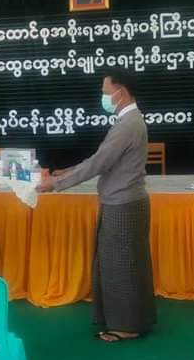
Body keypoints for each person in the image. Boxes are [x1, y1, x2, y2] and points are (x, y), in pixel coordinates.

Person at [37, 69, 156, 342]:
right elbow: (102, 159)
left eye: (105, 92)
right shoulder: (129, 121)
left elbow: (99, 163)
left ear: (120, 93)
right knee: (121, 264)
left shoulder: (128, 124)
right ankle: (129, 320)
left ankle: (126, 327)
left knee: (121, 267)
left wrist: (55, 184)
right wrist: (67, 171)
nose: (103, 97)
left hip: (122, 205)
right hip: (123, 202)